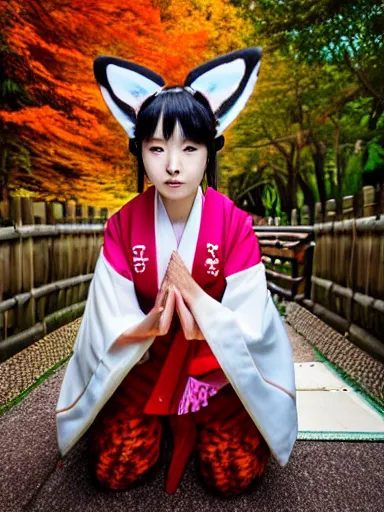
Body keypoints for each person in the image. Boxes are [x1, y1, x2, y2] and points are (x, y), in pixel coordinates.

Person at [56, 47, 298, 497]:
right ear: (140, 151)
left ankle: (198, 420)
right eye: (156, 148)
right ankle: (155, 419)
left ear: (210, 152)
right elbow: (107, 316)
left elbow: (254, 321)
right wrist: (150, 324)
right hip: (143, 364)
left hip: (214, 372)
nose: (172, 164)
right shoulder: (123, 225)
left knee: (232, 474)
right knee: (115, 467)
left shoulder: (234, 224)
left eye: (189, 147)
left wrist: (200, 305)